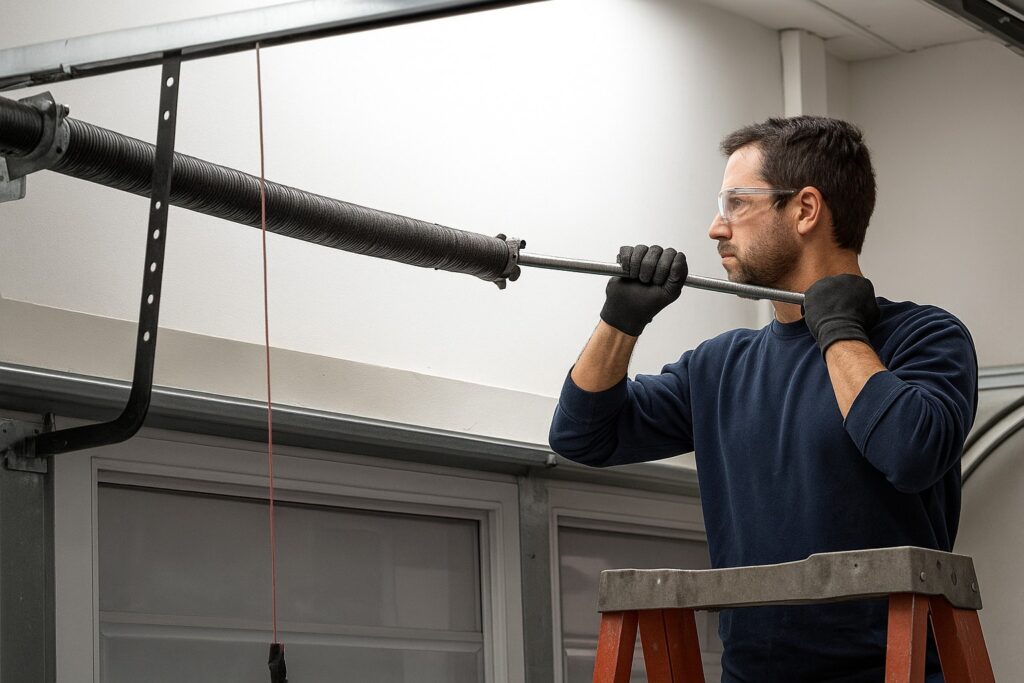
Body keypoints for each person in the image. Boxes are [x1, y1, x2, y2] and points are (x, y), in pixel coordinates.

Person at [548, 116, 978, 682]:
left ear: (804, 210)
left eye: (735, 204)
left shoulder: (925, 336)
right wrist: (619, 320)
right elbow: (582, 435)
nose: (715, 229)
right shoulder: (720, 367)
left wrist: (840, 328)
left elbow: (910, 451)